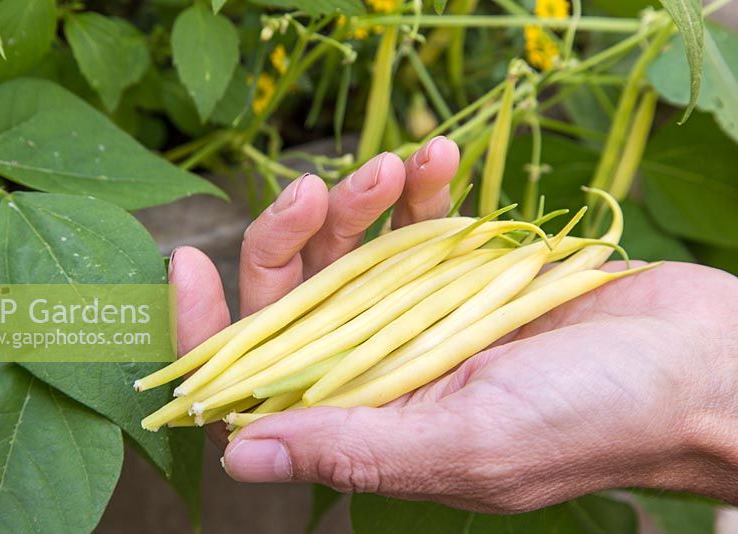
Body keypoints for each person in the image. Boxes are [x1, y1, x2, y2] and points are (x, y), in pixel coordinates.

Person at [168, 136, 738, 511]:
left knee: (347, 299)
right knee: (345, 289)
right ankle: (214, 389)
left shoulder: (535, 276)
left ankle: (225, 391)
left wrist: (707, 391)